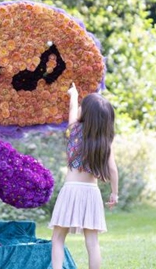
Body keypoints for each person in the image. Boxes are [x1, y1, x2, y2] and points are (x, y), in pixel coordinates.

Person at [49, 83, 118, 269]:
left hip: (70, 190)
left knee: (57, 237)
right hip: (91, 193)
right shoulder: (104, 141)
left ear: (86, 113)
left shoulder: (74, 130)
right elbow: (113, 170)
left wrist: (74, 94)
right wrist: (114, 193)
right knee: (92, 242)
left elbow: (72, 109)